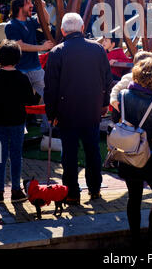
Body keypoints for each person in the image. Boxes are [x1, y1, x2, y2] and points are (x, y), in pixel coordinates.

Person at [44, 13, 112, 204]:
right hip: (92, 109)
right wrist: (104, 103)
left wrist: (51, 113)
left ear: (63, 31)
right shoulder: (98, 49)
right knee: (92, 151)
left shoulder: (57, 52)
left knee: (70, 154)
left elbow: (50, 87)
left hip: (66, 112)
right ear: (82, 29)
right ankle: (95, 189)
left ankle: (72, 193)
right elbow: (107, 80)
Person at [112, 57, 152, 248]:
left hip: (127, 154)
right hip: (150, 157)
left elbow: (116, 119)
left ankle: (135, 239)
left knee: (134, 197)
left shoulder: (122, 96)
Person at [0, 40, 37, 203]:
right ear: (18, 58)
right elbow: (31, 100)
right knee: (16, 156)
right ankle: (15, 190)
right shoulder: (22, 78)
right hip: (17, 122)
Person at [4, 0, 54, 130]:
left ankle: (48, 129)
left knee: (47, 97)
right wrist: (41, 48)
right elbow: (20, 45)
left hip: (36, 68)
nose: (32, 5)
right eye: (29, 3)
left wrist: (42, 8)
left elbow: (45, 21)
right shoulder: (11, 26)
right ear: (20, 7)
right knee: (18, 102)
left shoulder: (30, 21)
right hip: (20, 71)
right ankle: (19, 129)